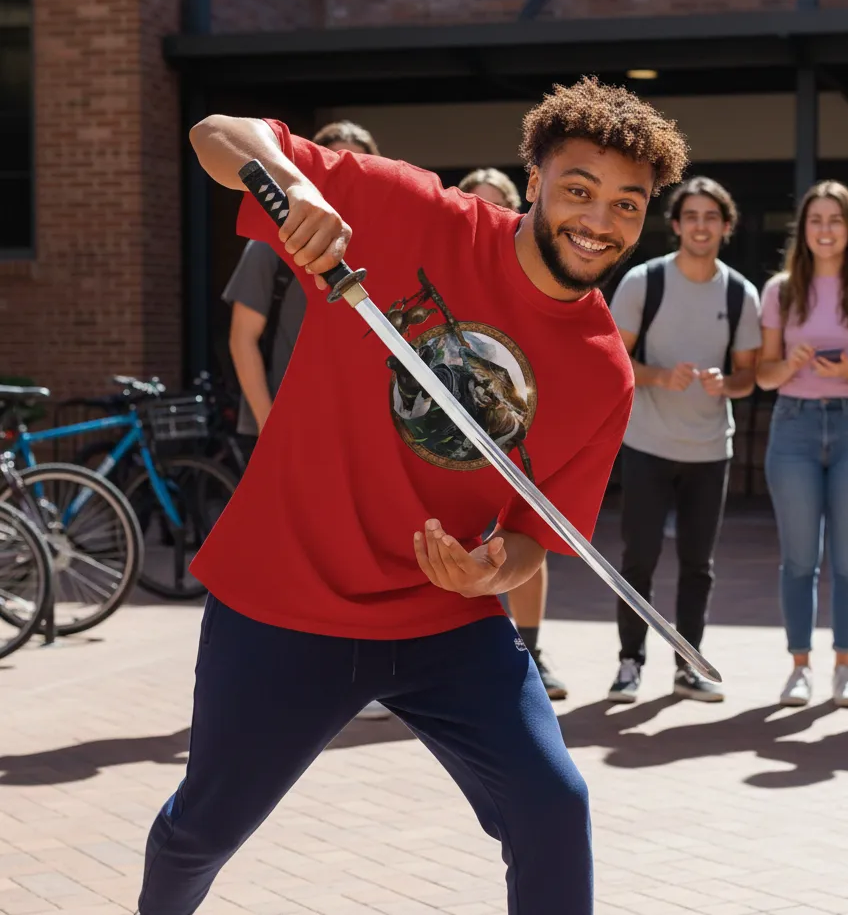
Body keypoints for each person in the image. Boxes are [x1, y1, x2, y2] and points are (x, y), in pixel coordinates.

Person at [136, 78, 689, 915]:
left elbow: (535, 537)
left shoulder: (603, 370)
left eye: (627, 204)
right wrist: (297, 188)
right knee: (201, 832)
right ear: (534, 180)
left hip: (445, 621)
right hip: (285, 597)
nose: (598, 220)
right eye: (579, 189)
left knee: (552, 806)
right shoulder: (408, 212)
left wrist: (492, 572)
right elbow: (218, 132)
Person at [222, 119, 390, 723]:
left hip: (363, 431)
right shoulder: (271, 237)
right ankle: (289, 683)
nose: (341, 173)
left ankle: (359, 680)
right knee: (293, 559)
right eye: (330, 160)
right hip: (288, 430)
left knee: (360, 555)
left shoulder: (384, 238)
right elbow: (243, 339)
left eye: (355, 163)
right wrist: (270, 425)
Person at [608, 176, 761, 704]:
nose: (701, 226)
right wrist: (658, 376)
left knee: (699, 565)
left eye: (711, 217)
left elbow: (749, 376)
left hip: (710, 450)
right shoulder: (644, 282)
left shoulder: (741, 294)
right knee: (639, 559)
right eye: (691, 216)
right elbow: (613, 359)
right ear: (676, 225)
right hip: (647, 444)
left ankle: (688, 666)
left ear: (726, 226)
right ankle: (629, 663)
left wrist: (728, 384)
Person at [757, 180, 848, 708]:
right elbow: (764, 376)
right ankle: (800, 668)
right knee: (799, 559)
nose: (825, 230)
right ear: (803, 231)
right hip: (793, 427)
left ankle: (845, 668)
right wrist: (790, 364)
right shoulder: (780, 290)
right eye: (815, 220)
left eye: (835, 220)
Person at [458, 165, 567, 700]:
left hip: (516, 427)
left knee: (523, 534)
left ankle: (530, 651)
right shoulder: (453, 268)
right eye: (473, 203)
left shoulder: (536, 276)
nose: (485, 215)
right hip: (456, 435)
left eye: (496, 204)